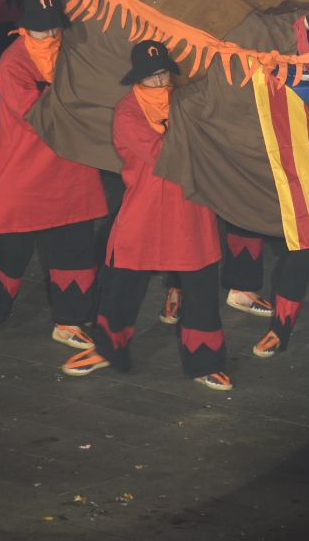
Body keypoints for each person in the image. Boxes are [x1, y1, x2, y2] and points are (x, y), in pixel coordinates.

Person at [61, 41, 231, 391]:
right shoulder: (128, 113)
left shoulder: (185, 103)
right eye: (152, 77)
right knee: (123, 284)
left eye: (164, 74)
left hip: (191, 212)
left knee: (201, 290)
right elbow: (163, 155)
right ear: (137, 79)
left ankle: (205, 361)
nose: (160, 82)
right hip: (146, 210)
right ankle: (108, 348)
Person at [0, 0, 107, 351]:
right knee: (11, 244)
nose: (49, 35)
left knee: (75, 245)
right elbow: (39, 117)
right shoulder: (13, 64)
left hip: (71, 169)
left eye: (53, 28)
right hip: (24, 170)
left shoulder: (72, 55)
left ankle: (69, 320)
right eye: (40, 29)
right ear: (25, 27)